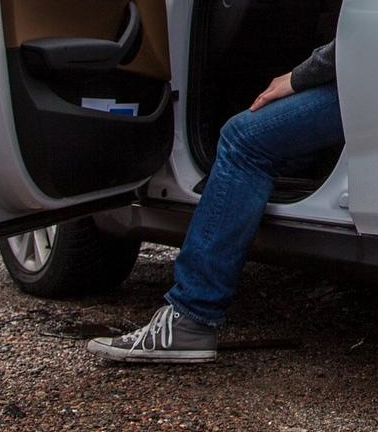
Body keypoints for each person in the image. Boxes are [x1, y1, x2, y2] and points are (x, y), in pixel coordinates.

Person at [86, 40, 342, 362]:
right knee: (285, 145)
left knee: (241, 139)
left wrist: (298, 77)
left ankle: (191, 316)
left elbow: (360, 32)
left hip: (371, 82)